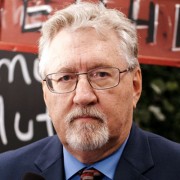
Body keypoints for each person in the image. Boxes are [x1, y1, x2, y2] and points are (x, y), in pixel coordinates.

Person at [0, 2, 180, 180]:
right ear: (46, 94)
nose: (83, 96)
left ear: (135, 86)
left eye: (101, 74)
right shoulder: (6, 171)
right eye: (65, 78)